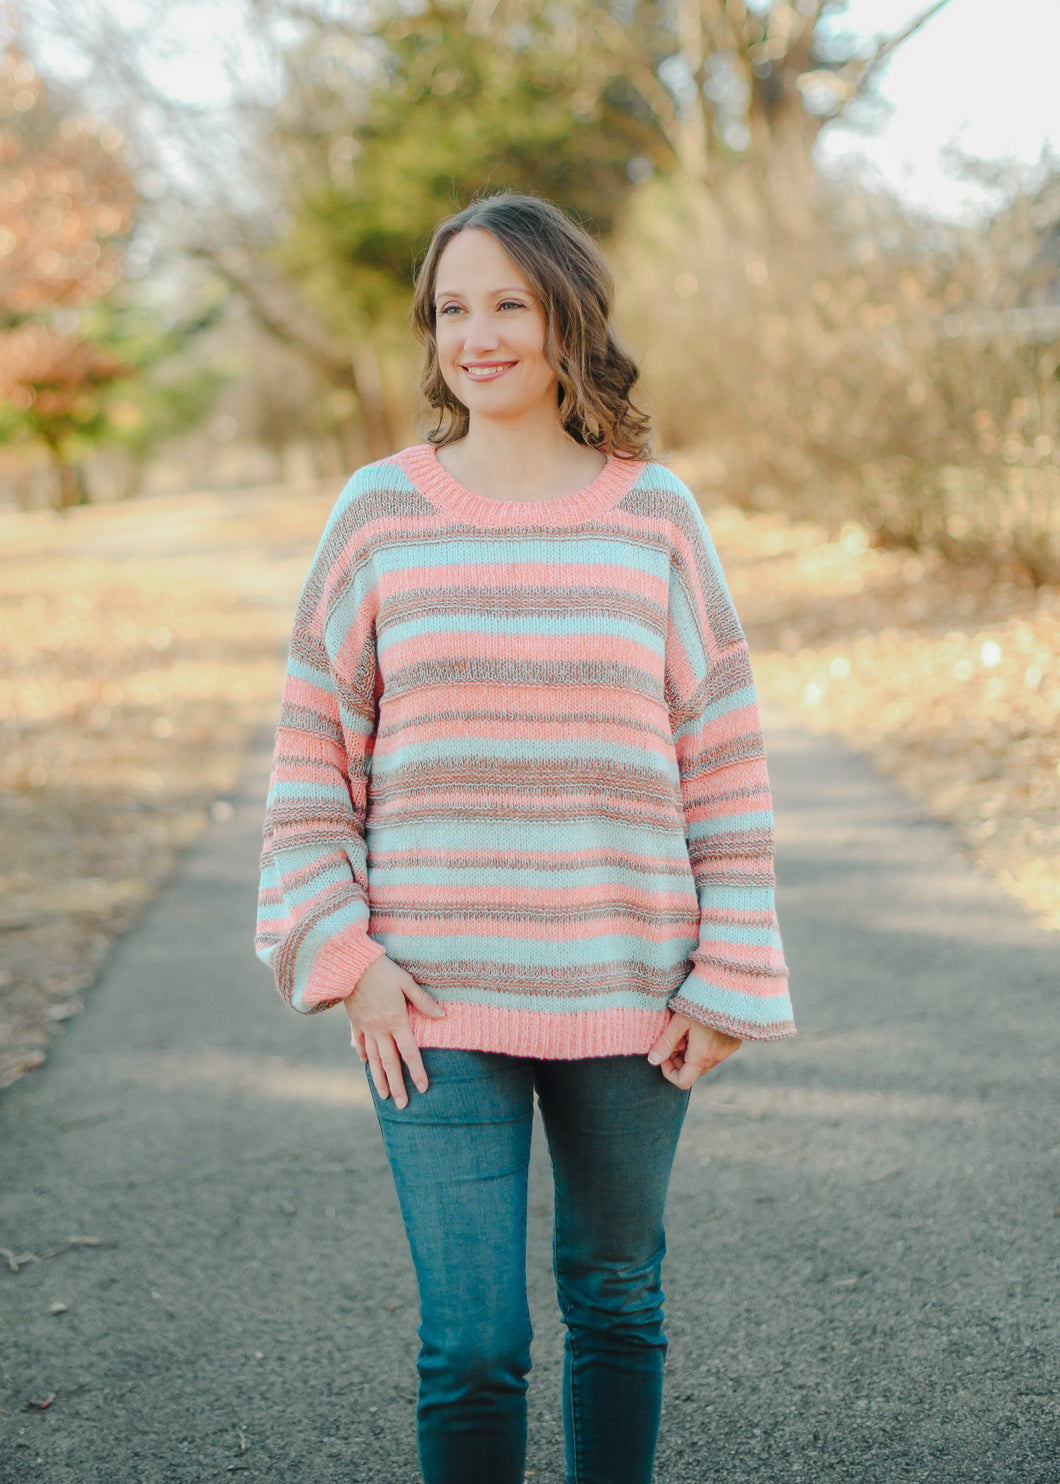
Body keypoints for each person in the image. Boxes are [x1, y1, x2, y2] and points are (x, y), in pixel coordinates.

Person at [255, 190, 795, 1484]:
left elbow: (721, 758)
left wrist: (731, 977)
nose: (477, 334)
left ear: (568, 319)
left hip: (632, 991)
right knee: (475, 1344)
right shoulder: (378, 515)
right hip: (428, 999)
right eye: (453, 309)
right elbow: (309, 760)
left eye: (509, 304)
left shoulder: (654, 515)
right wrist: (343, 950)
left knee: (617, 1306)